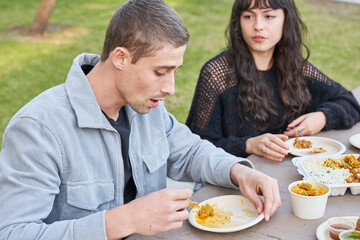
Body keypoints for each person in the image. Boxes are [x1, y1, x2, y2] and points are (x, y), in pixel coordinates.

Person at [0, 0, 281, 239]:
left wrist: (239, 172)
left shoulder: (146, 105)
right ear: (120, 57)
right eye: (161, 72)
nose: (170, 88)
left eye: (174, 71)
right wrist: (122, 221)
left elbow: (191, 152)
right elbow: (13, 232)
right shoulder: (39, 129)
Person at [186, 0, 360, 162]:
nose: (258, 26)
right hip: (232, 183)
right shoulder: (218, 73)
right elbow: (195, 149)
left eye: (269, 16)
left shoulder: (295, 67)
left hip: (288, 174)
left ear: (286, 19)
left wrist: (322, 117)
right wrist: (248, 145)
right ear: (238, 21)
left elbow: (349, 103)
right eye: (248, 16)